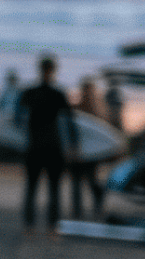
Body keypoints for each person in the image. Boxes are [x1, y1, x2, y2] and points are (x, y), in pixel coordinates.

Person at [18, 56, 77, 232]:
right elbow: (69, 121)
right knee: (54, 190)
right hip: (53, 146)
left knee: (31, 188)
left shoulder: (29, 92)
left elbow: (15, 117)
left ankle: (29, 227)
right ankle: (52, 228)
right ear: (53, 71)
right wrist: (74, 144)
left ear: (39, 69)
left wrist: (23, 131)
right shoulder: (58, 94)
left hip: (34, 146)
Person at [70, 77, 109, 217]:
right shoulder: (76, 108)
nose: (86, 93)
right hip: (76, 151)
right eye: (84, 90)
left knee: (92, 181)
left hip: (92, 154)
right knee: (76, 183)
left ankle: (98, 206)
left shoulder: (98, 111)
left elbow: (103, 136)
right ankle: (76, 211)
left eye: (88, 90)